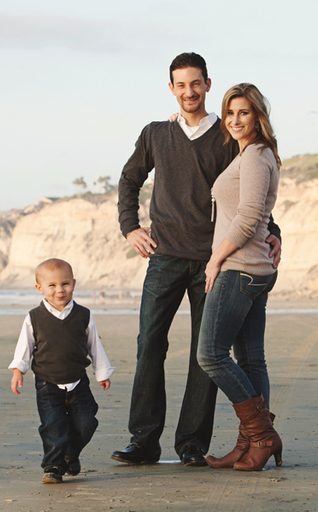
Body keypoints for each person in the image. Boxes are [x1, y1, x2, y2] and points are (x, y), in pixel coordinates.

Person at [113, 52, 281, 467]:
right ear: (171, 89)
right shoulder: (156, 133)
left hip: (213, 262)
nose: (189, 92)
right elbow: (130, 179)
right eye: (181, 85)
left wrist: (273, 231)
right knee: (149, 345)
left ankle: (191, 443)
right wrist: (130, 227)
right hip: (164, 256)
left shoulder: (227, 135)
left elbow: (250, 195)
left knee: (203, 354)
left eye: (195, 83)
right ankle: (143, 441)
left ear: (207, 84)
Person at [197, 83, 282, 471]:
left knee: (211, 355)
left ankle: (261, 435)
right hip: (254, 269)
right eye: (229, 113)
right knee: (250, 361)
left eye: (243, 112)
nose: (234, 120)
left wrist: (215, 260)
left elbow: (249, 218)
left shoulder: (255, 156)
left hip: (241, 269)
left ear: (257, 116)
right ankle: (250, 444)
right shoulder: (253, 154)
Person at [8, 258, 115, 484]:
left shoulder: (83, 315)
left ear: (73, 284)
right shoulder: (34, 317)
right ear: (39, 288)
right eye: (52, 285)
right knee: (53, 426)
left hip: (78, 381)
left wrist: (102, 372)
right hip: (47, 383)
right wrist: (18, 370)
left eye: (65, 284)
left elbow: (94, 345)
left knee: (87, 423)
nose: (60, 290)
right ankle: (53, 467)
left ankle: (70, 454)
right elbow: (24, 346)